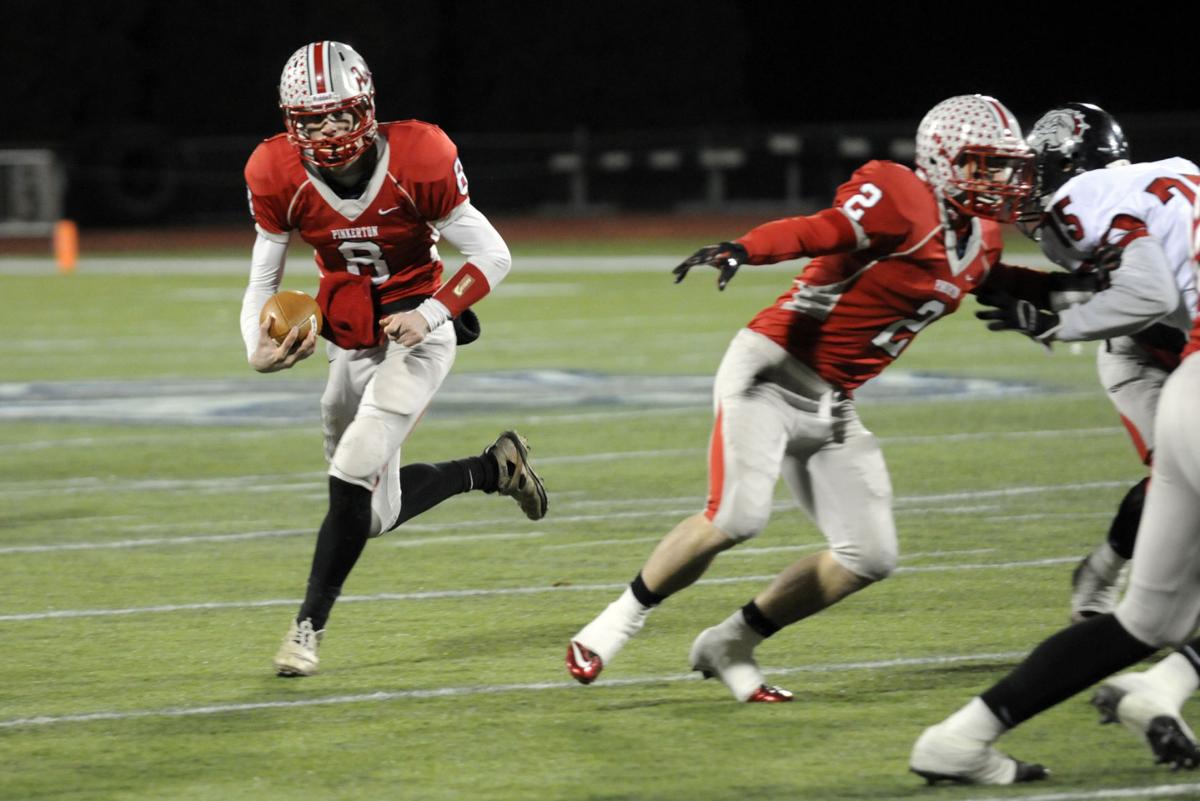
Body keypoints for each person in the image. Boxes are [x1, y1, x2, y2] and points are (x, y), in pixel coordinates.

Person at [565, 94, 1044, 702]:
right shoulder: (901, 195)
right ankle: (615, 623)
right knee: (738, 516)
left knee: (870, 555)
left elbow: (990, 280)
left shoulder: (984, 238)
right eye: (983, 164)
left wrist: (1077, 289)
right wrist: (746, 247)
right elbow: (823, 229)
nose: (997, 180)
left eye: (1002, 166)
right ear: (944, 159)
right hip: (770, 371)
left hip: (831, 403)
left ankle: (731, 641)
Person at [239, 41, 547, 677]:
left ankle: (306, 631)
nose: (325, 131)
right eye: (310, 119)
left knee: (352, 469)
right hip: (349, 339)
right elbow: (262, 275)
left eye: (338, 115)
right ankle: (493, 470)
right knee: (370, 514)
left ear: (366, 109)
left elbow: (494, 255)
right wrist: (256, 347)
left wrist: (432, 313)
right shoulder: (275, 172)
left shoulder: (419, 156)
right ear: (289, 121)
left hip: (420, 335)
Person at [909, 147, 1200, 788]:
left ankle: (959, 739)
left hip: (1188, 388)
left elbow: (1142, 285)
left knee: (1148, 623)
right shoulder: (1097, 194)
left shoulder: (1112, 194)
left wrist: (1045, 307)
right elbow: (1150, 289)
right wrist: (1053, 322)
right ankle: (1157, 678)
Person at [995, 104, 1195, 625]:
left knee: (1182, 482)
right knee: (1176, 477)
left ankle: (1122, 586)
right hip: (1142, 349)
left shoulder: (1084, 198)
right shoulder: (1172, 173)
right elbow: (1138, 285)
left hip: (1174, 337)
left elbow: (1146, 288)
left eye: (1039, 167)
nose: (1032, 183)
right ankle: (1122, 589)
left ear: (1067, 162)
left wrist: (1055, 324)